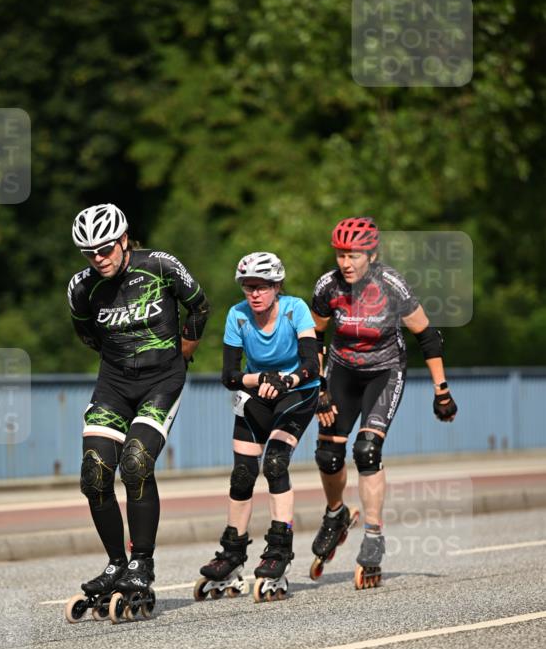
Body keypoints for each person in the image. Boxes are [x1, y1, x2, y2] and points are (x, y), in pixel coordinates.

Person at [64, 203, 210, 623]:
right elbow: (88, 335)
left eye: (106, 248)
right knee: (94, 472)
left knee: (135, 462)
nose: (99, 258)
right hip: (113, 384)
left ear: (124, 239)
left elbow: (199, 306)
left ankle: (141, 563)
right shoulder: (80, 288)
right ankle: (116, 564)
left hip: (161, 381)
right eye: (89, 252)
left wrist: (183, 353)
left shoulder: (161, 266)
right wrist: (123, 360)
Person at [310, 216, 458, 589]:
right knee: (328, 455)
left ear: (371, 255)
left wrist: (441, 389)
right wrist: (319, 386)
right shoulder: (328, 286)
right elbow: (312, 336)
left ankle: (373, 534)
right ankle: (336, 514)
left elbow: (428, 335)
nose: (346, 262)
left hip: (384, 373)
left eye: (354, 255)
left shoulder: (391, 285)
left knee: (367, 450)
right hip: (342, 371)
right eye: (341, 254)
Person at [195, 252, 320, 603]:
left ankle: (279, 548)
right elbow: (229, 375)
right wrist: (260, 378)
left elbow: (312, 363)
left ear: (276, 286)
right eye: (248, 287)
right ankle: (232, 553)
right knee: (242, 474)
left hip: (298, 393)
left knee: (275, 463)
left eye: (262, 287)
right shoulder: (237, 315)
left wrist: (286, 379)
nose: (254, 294)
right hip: (257, 394)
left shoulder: (295, 310)